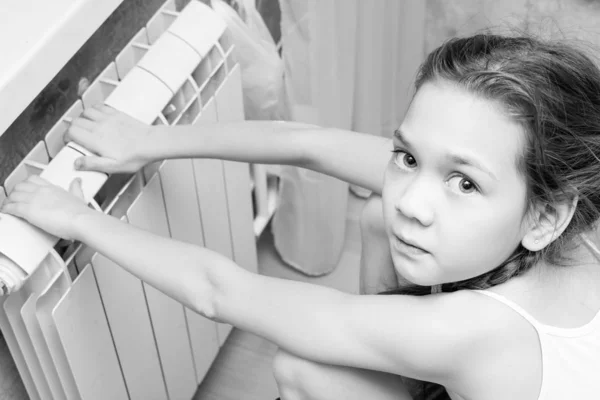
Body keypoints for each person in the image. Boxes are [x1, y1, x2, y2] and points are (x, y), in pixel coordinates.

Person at [3, 34, 600, 400]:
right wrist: (150, 142)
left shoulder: (471, 332)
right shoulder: (558, 217)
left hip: (476, 356)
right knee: (373, 219)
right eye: (408, 156)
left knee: (299, 369)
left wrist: (80, 220)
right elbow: (307, 141)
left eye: (465, 182)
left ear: (545, 218)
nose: (412, 202)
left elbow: (219, 291)